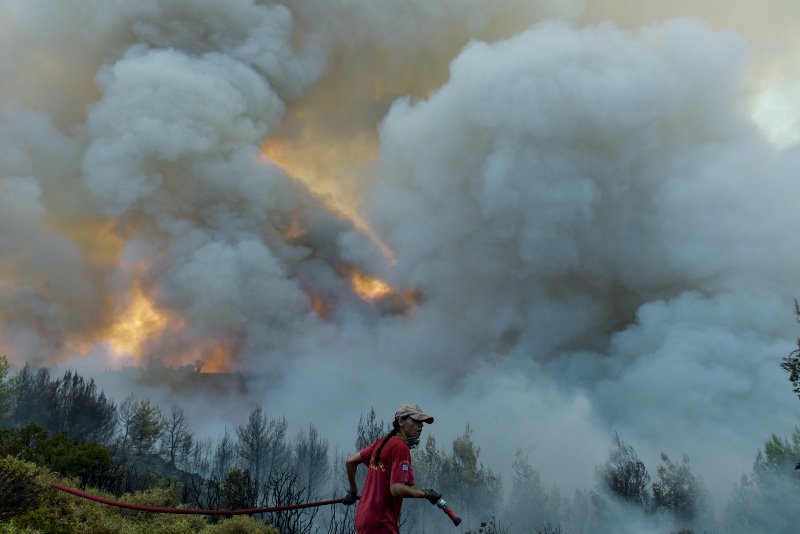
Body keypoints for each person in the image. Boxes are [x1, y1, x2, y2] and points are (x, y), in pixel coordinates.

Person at [343, 403, 443, 533]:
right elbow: (397, 489)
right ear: (401, 421)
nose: (421, 425)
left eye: (422, 422)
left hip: (363, 519)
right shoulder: (400, 447)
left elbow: (350, 462)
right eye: (416, 420)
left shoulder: (382, 442)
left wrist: (353, 491)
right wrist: (425, 494)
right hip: (381, 522)